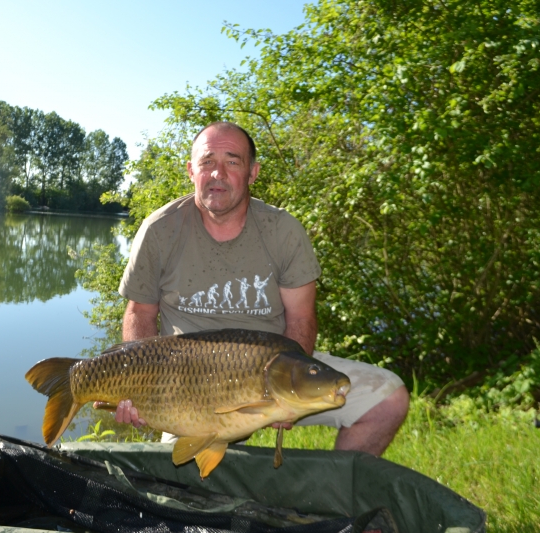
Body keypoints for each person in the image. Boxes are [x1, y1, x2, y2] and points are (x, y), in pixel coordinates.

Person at [113, 122, 409, 456]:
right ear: (191, 170)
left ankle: (328, 497)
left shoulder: (282, 231)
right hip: (187, 383)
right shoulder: (159, 230)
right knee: (185, 482)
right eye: (207, 162)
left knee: (388, 399)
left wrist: (288, 392)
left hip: (271, 370)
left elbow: (301, 318)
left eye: (233, 162)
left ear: (253, 173)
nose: (218, 174)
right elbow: (139, 313)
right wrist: (135, 383)